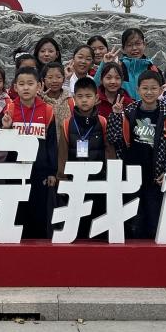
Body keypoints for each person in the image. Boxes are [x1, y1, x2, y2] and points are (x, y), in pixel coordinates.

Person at [106, 70, 166, 239]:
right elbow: (113, 138)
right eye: (145, 88)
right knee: (133, 220)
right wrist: (115, 115)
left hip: (155, 176)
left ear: (161, 90)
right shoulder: (128, 112)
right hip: (131, 174)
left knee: (154, 219)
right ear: (137, 90)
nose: (149, 92)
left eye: (153, 88)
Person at [0, 66, 58, 239]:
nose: (26, 88)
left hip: (39, 171)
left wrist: (52, 171)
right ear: (15, 87)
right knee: (16, 212)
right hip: (14, 170)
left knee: (39, 213)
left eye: (30, 84)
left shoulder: (47, 110)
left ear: (38, 86)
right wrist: (5, 128)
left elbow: (52, 144)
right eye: (21, 84)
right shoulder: (8, 109)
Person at [57, 76, 115, 239]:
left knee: (97, 222)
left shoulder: (103, 122)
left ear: (96, 98)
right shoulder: (67, 124)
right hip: (74, 181)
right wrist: (62, 178)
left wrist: (111, 176)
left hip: (98, 180)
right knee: (77, 224)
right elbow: (63, 154)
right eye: (80, 96)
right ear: (74, 99)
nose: (84, 100)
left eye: (88, 96)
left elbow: (109, 151)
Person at [95, 28, 158, 101]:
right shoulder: (118, 68)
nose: (134, 48)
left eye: (138, 44)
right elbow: (95, 87)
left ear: (144, 45)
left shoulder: (153, 69)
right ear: (123, 49)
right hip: (122, 107)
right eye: (129, 45)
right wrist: (104, 64)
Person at [40, 61, 73, 142]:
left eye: (58, 77)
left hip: (67, 143)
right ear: (43, 80)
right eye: (50, 77)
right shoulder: (40, 101)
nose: (54, 81)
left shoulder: (70, 99)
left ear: (63, 79)